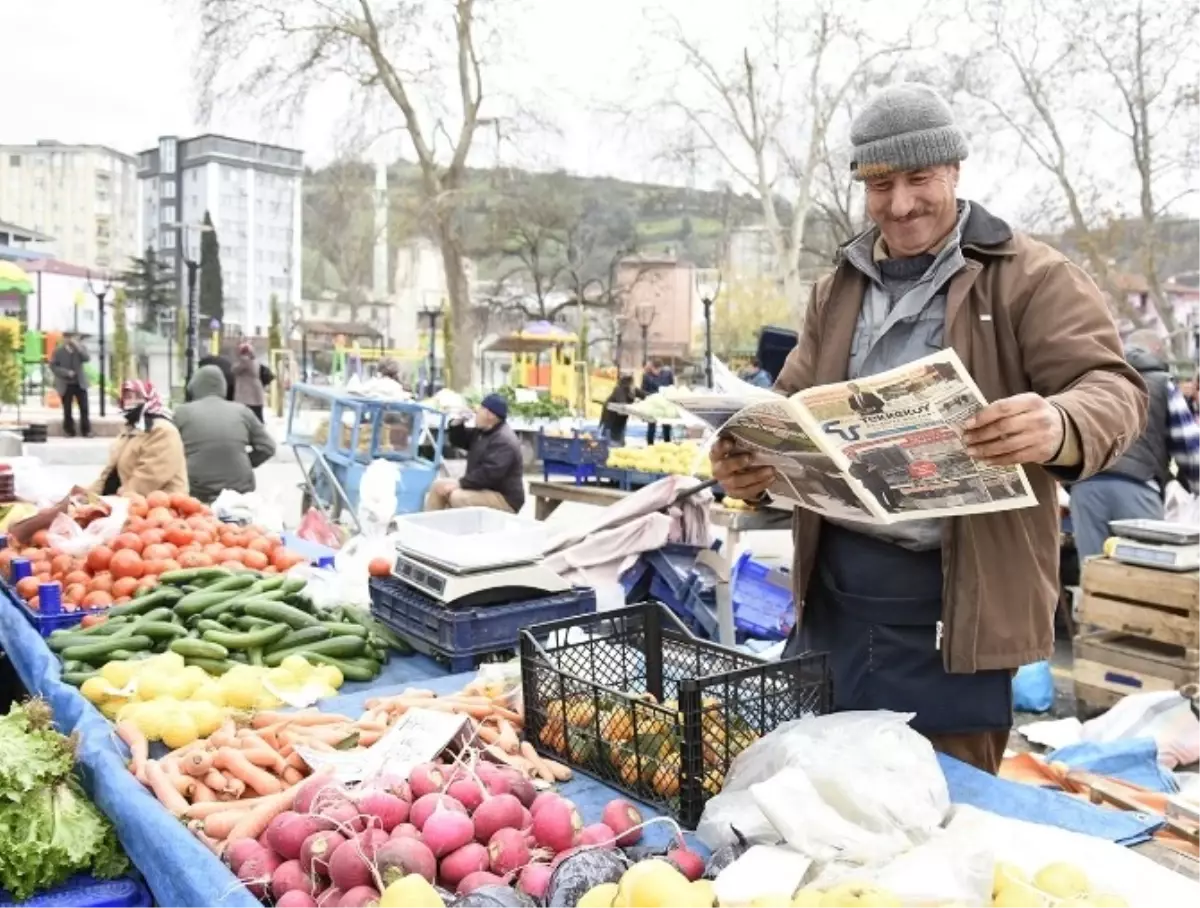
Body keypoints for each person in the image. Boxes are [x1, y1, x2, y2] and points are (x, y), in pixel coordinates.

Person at [709, 82, 1146, 775]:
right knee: (825, 794)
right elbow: (787, 406)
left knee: (945, 808)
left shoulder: (1028, 277)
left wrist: (1059, 422)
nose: (901, 203)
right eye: (880, 184)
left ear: (955, 171)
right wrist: (748, 468)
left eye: (920, 178)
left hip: (958, 600)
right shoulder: (837, 288)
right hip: (838, 597)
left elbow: (1115, 389)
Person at [1069, 330, 1200, 559]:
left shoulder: (1091, 379)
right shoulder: (1162, 383)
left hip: (1086, 487)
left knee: (1094, 576)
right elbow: (1188, 446)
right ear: (1156, 350)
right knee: (1144, 574)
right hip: (1138, 486)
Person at [174, 365, 277, 504]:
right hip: (239, 489)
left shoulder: (181, 413)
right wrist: (246, 461)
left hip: (197, 489)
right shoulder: (242, 411)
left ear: (194, 387)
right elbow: (268, 447)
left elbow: (166, 452)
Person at [425, 393, 525, 514]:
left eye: (480, 409)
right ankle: (432, 526)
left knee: (457, 497)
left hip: (504, 498)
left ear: (490, 415)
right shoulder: (483, 432)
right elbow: (460, 441)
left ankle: (464, 531)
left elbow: (489, 475)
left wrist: (460, 483)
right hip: (482, 489)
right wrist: (457, 423)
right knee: (438, 486)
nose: (476, 413)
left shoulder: (504, 441)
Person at [91, 380, 188, 498]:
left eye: (137, 397)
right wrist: (88, 496)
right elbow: (110, 473)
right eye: (127, 397)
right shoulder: (130, 430)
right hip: (129, 500)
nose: (131, 402)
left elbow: (149, 476)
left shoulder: (162, 431)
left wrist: (119, 499)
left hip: (161, 505)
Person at [50, 333, 91, 437]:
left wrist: (78, 346)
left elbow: (86, 358)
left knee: (84, 408)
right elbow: (53, 366)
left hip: (80, 383)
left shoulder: (80, 349)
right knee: (67, 408)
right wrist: (66, 372)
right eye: (68, 337)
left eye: (72, 337)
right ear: (64, 338)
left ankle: (86, 430)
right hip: (66, 384)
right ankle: (69, 430)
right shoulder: (58, 351)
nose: (70, 339)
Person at [600, 374, 642, 445]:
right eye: (632, 383)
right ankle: (608, 442)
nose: (633, 385)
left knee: (620, 435)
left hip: (621, 415)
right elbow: (622, 403)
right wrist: (635, 403)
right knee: (610, 431)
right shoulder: (619, 390)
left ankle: (619, 442)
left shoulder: (633, 390)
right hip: (611, 413)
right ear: (628, 384)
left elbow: (645, 394)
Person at [232, 343, 267, 422]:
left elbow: (234, 370)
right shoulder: (255, 362)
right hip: (255, 396)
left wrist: (241, 358)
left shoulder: (245, 362)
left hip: (246, 398)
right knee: (257, 418)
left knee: (245, 418)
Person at [642, 360, 674, 445]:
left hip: (665, 403)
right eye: (654, 370)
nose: (656, 372)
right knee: (651, 425)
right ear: (651, 368)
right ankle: (650, 445)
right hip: (653, 404)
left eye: (658, 370)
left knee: (666, 425)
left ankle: (667, 444)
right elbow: (643, 391)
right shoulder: (646, 376)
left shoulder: (667, 374)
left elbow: (671, 387)